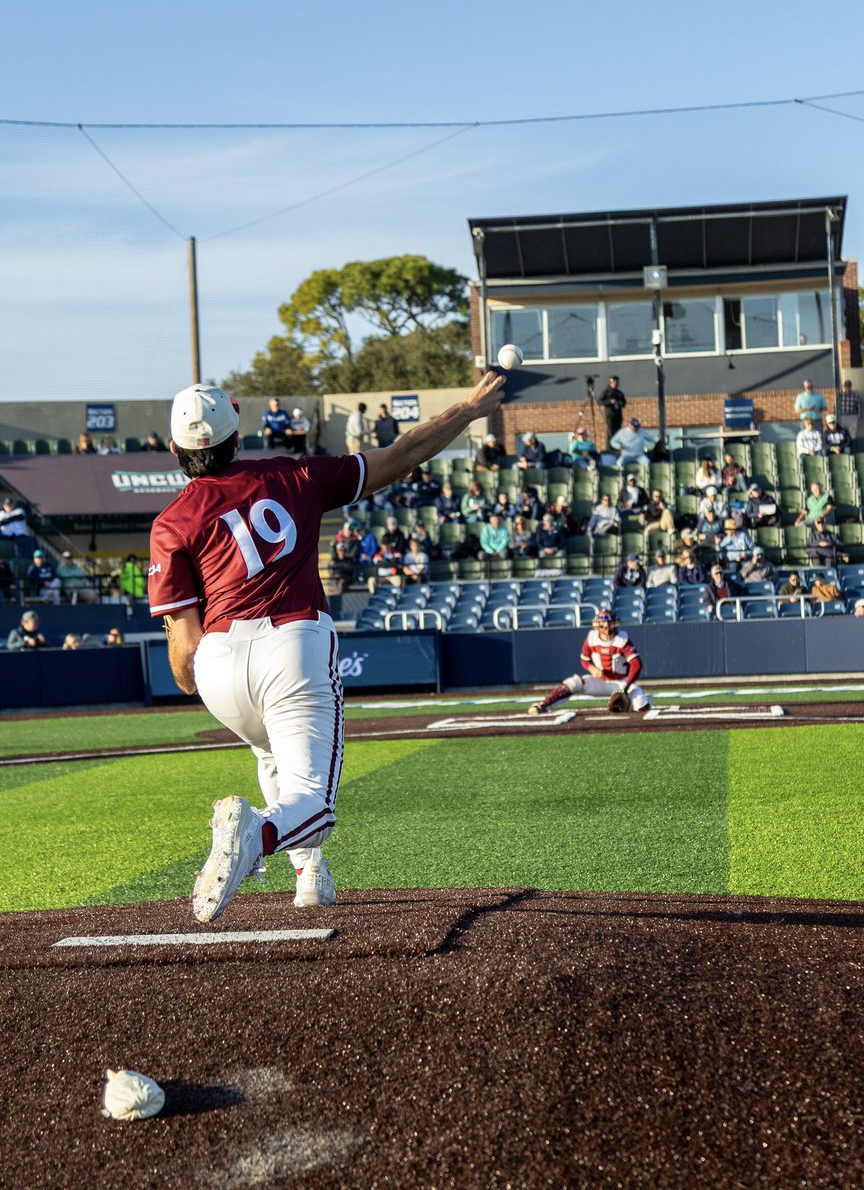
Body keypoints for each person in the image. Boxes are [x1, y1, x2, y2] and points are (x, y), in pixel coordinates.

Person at [148, 373, 505, 921]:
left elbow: (184, 647)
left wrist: (192, 681)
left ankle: (309, 873)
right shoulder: (293, 475)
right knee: (314, 805)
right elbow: (402, 454)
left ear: (174, 450)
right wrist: (469, 409)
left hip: (219, 661)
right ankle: (258, 837)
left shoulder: (171, 522)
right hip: (293, 642)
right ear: (237, 438)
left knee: (269, 752)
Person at [527, 608, 650, 715]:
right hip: (600, 681)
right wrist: (592, 669)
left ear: (615, 624)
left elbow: (636, 665)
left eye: (609, 623)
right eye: (603, 624)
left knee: (641, 704)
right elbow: (584, 659)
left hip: (622, 682)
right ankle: (543, 705)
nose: (606, 627)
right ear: (597, 625)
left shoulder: (622, 639)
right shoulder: (591, 638)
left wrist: (626, 686)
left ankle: (643, 703)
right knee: (574, 682)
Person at [599, 376, 626, 443]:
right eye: (614, 382)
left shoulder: (619, 392)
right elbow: (600, 401)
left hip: (618, 414)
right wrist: (610, 401)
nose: (616, 384)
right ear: (611, 383)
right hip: (610, 415)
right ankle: (610, 447)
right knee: (610, 431)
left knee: (618, 431)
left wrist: (621, 402)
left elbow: (624, 402)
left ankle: (617, 446)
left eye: (617, 383)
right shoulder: (606, 392)